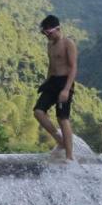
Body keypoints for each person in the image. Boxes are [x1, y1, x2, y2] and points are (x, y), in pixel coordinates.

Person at [34, 15, 78, 161]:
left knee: (62, 118)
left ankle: (69, 156)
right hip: (52, 81)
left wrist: (66, 89)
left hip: (65, 82)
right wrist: (46, 82)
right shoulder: (50, 45)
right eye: (44, 33)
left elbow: (73, 68)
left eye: (49, 33)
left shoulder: (68, 43)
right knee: (38, 111)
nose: (47, 36)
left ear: (57, 29)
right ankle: (60, 141)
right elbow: (51, 66)